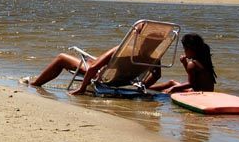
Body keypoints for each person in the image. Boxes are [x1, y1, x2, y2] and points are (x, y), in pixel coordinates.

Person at [24, 23, 163, 95]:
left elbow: (93, 68)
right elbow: (157, 75)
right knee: (93, 61)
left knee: (62, 58)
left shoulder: (120, 50)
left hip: (102, 76)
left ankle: (35, 84)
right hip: (123, 81)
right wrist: (140, 88)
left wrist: (81, 88)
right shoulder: (154, 57)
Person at [149, 33, 217, 93]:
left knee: (167, 89)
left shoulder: (192, 64)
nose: (184, 51)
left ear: (190, 49)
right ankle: (148, 88)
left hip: (198, 93)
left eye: (185, 49)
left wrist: (174, 88)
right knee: (171, 82)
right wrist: (184, 63)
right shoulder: (204, 59)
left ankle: (147, 88)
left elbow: (191, 84)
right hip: (206, 91)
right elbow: (194, 78)